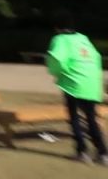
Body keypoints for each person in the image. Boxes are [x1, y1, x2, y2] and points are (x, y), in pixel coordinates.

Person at [46, 10, 107, 165]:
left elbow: (56, 59)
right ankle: (103, 153)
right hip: (91, 83)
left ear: (56, 27)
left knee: (74, 118)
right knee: (91, 119)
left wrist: (57, 72)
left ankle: (82, 152)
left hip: (73, 83)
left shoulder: (60, 39)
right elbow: (96, 57)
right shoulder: (83, 38)